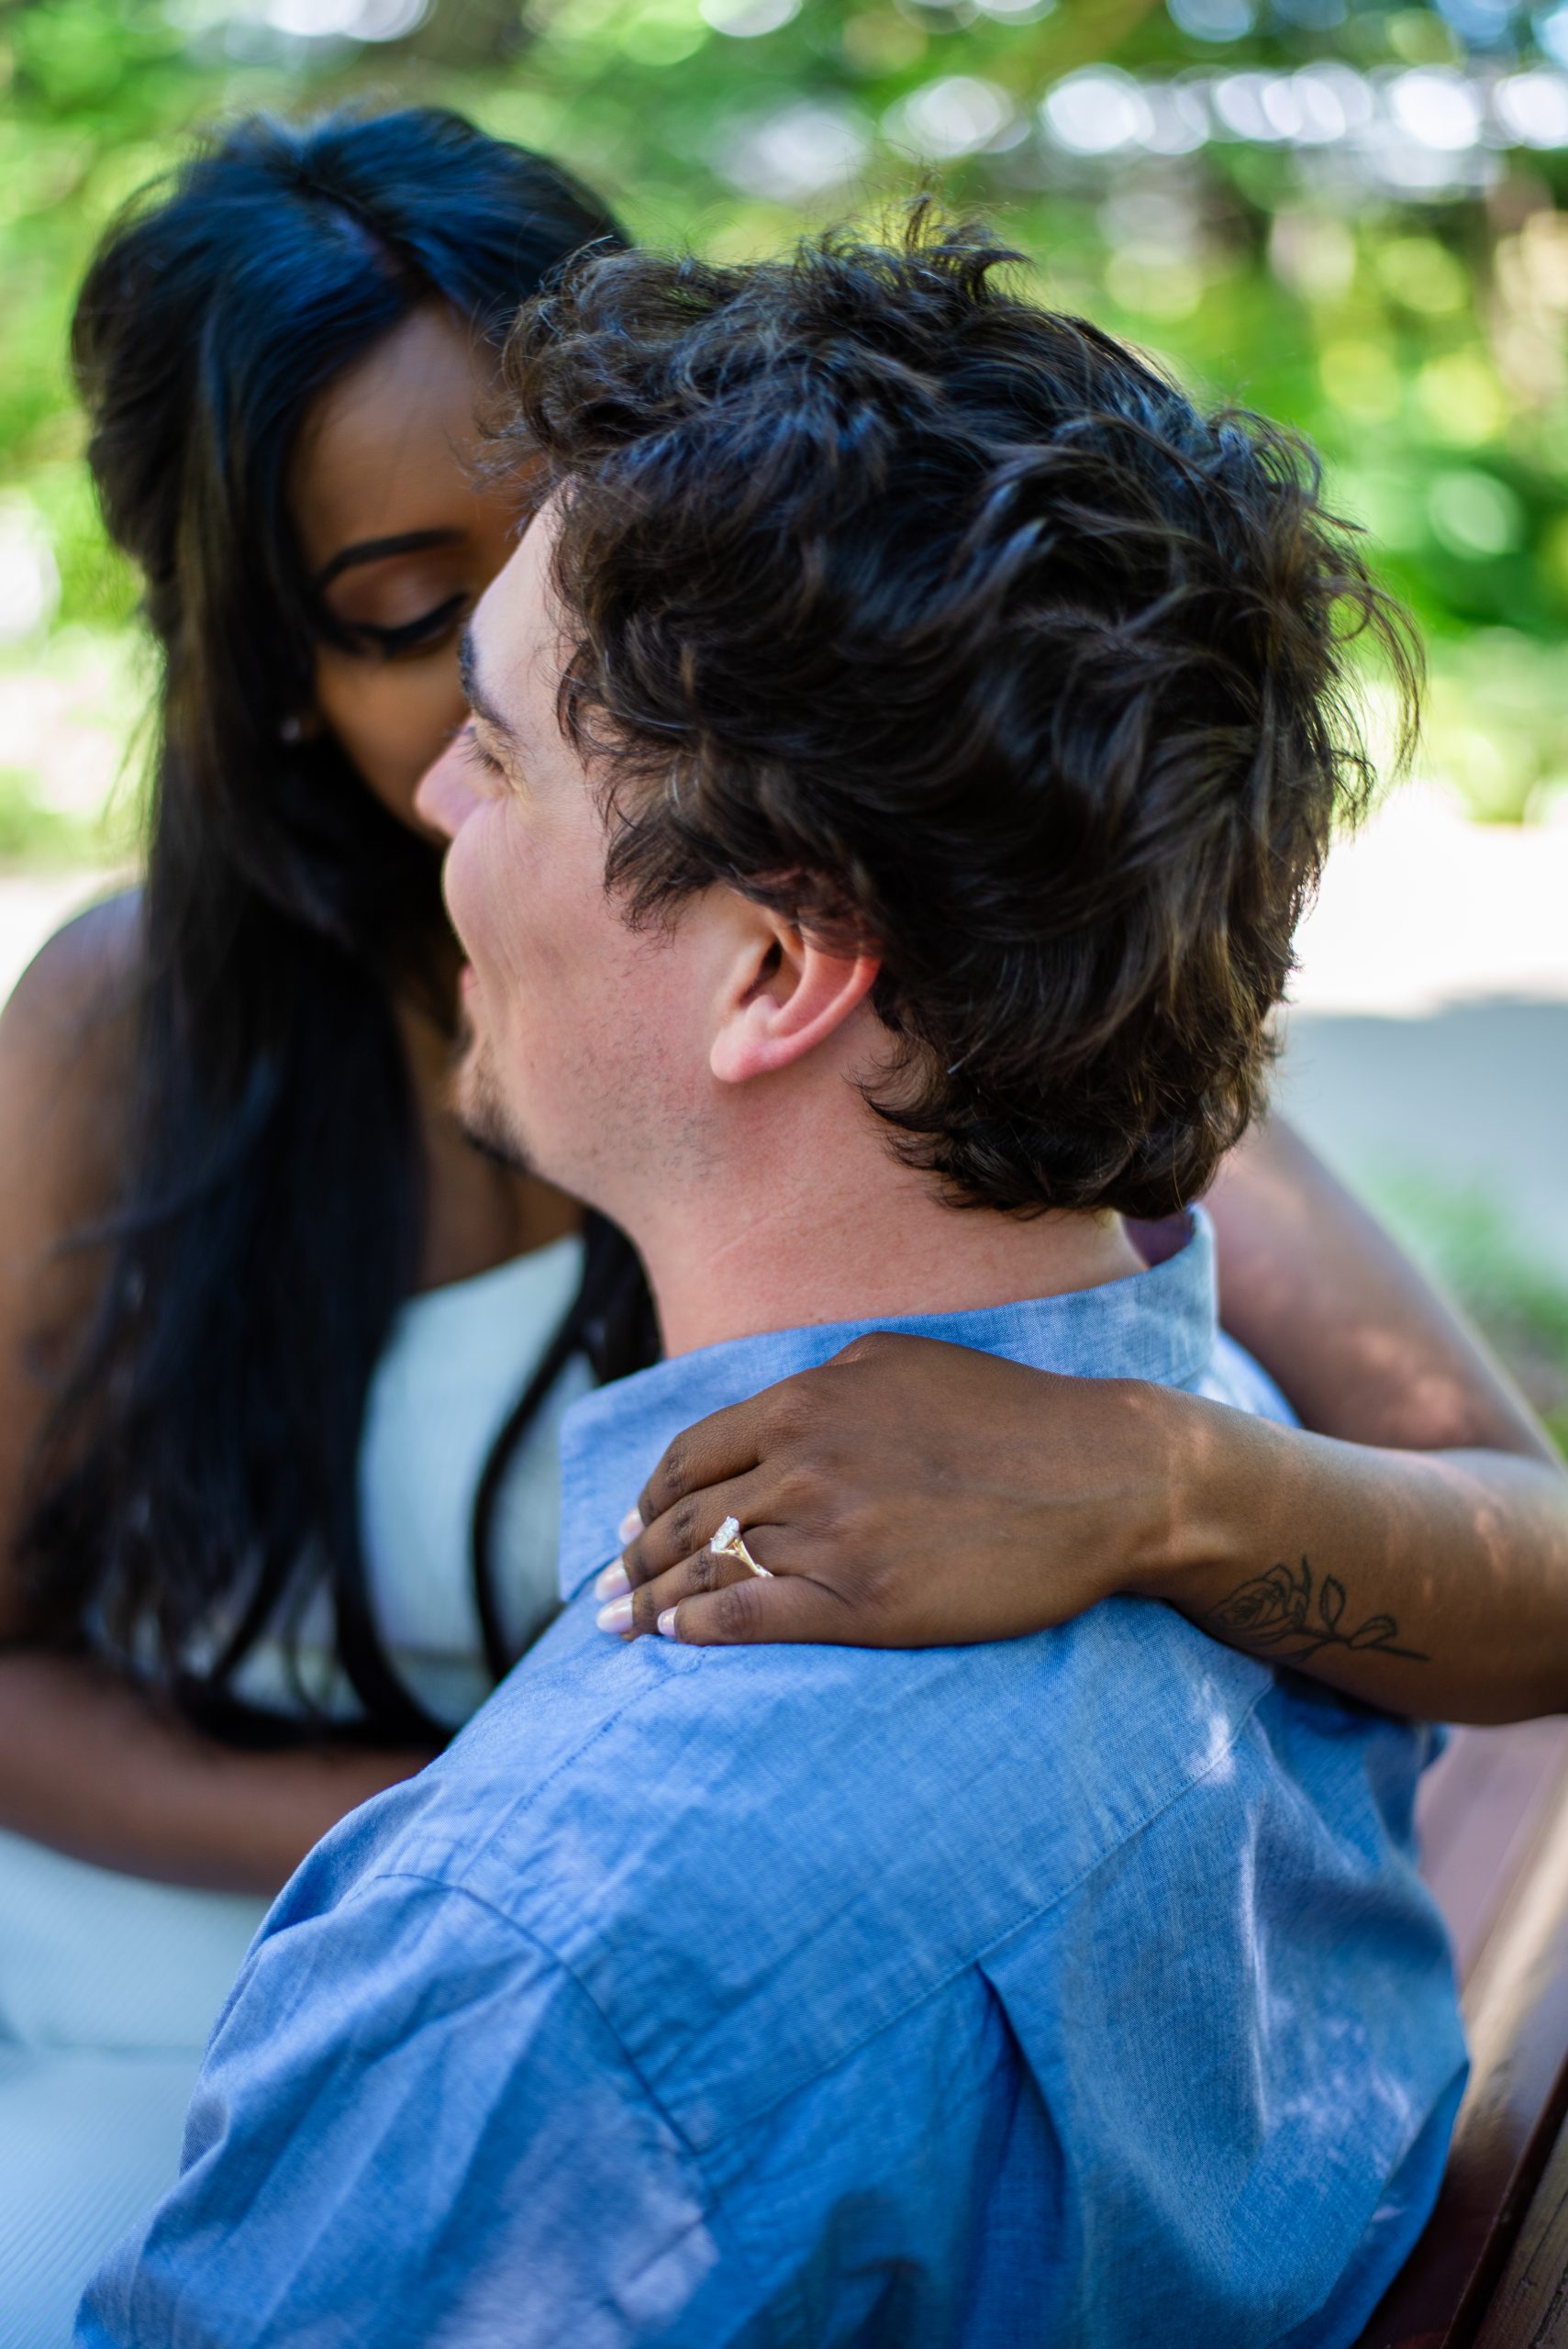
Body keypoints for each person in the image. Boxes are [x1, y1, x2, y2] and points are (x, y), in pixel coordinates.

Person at [83, 217, 1470, 2347]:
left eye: (505, 748)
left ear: (771, 968)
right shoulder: (1255, 1459)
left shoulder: (534, 1969)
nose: (434, 800)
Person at [0, 107, 651, 2347]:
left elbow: (1499, 1530)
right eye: (415, 614)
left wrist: (1150, 1477)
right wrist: (466, 1831)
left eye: (598, 541)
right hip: (160, 2010)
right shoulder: (130, 1028)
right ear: (273, 665)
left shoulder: (909, 958)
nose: (554, 670)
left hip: (616, 2056)